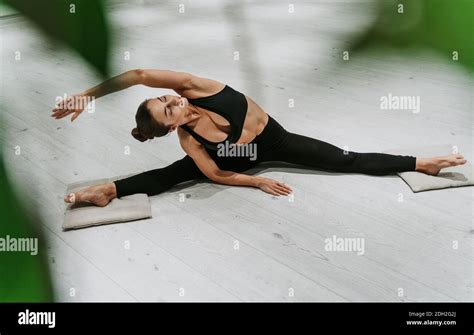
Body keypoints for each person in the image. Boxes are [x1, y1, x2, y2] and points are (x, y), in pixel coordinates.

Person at [51, 69, 467, 207]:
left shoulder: (196, 86)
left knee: (344, 159)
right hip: (238, 158)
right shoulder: (189, 139)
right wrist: (255, 180)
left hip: (276, 140)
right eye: (167, 109)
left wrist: (85, 96)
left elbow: (138, 76)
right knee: (173, 174)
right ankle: (109, 190)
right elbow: (214, 174)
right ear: (173, 126)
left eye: (165, 98)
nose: (173, 99)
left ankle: (420, 162)